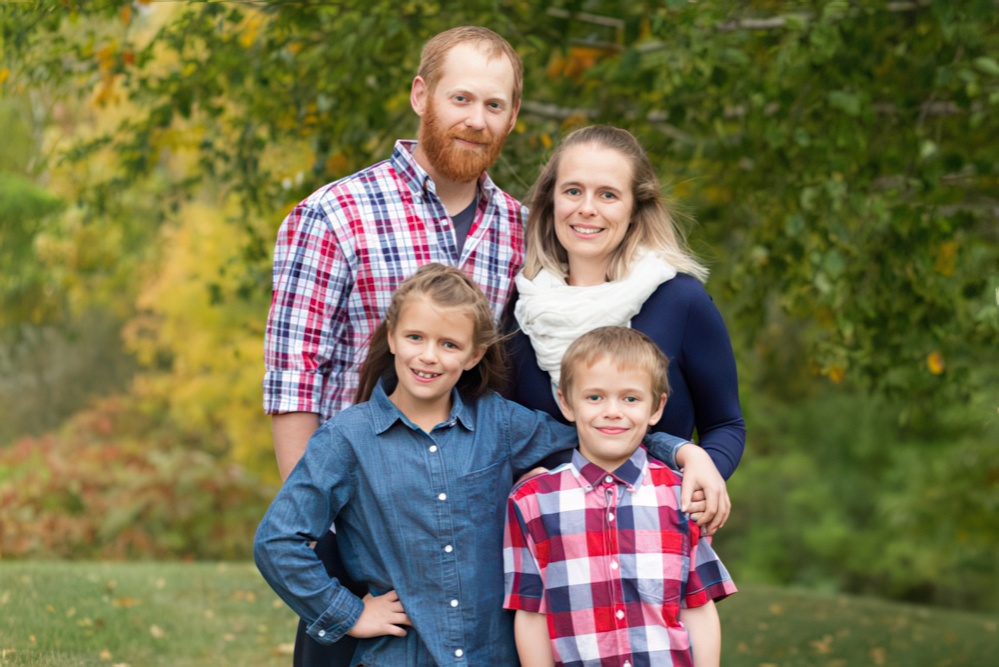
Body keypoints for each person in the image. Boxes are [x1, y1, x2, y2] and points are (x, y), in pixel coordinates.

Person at [255, 265, 720, 666]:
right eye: (415, 337)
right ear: (392, 336)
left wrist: (683, 452)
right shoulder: (346, 438)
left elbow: (596, 433)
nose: (429, 356)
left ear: (473, 355)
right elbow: (278, 541)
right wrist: (350, 613)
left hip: (495, 654)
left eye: (449, 344)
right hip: (401, 655)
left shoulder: (498, 422)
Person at [262, 26, 526, 666]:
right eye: (460, 99)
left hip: (472, 539)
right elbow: (294, 373)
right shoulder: (334, 214)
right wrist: (322, 528)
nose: (476, 120)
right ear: (420, 94)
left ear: (513, 116)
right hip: (362, 533)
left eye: (495, 105)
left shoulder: (523, 229)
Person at [505, 125, 745, 480]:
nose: (587, 208)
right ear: (551, 200)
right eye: (573, 191)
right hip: (550, 530)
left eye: (608, 195)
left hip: (662, 524)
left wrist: (704, 475)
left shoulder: (680, 301)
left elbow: (726, 423)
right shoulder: (522, 310)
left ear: (635, 208)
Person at [503, 326, 737, 667]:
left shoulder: (681, 495)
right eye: (595, 397)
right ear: (566, 403)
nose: (613, 411)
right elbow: (531, 613)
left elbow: (697, 608)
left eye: (630, 398)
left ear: (655, 409)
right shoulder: (531, 502)